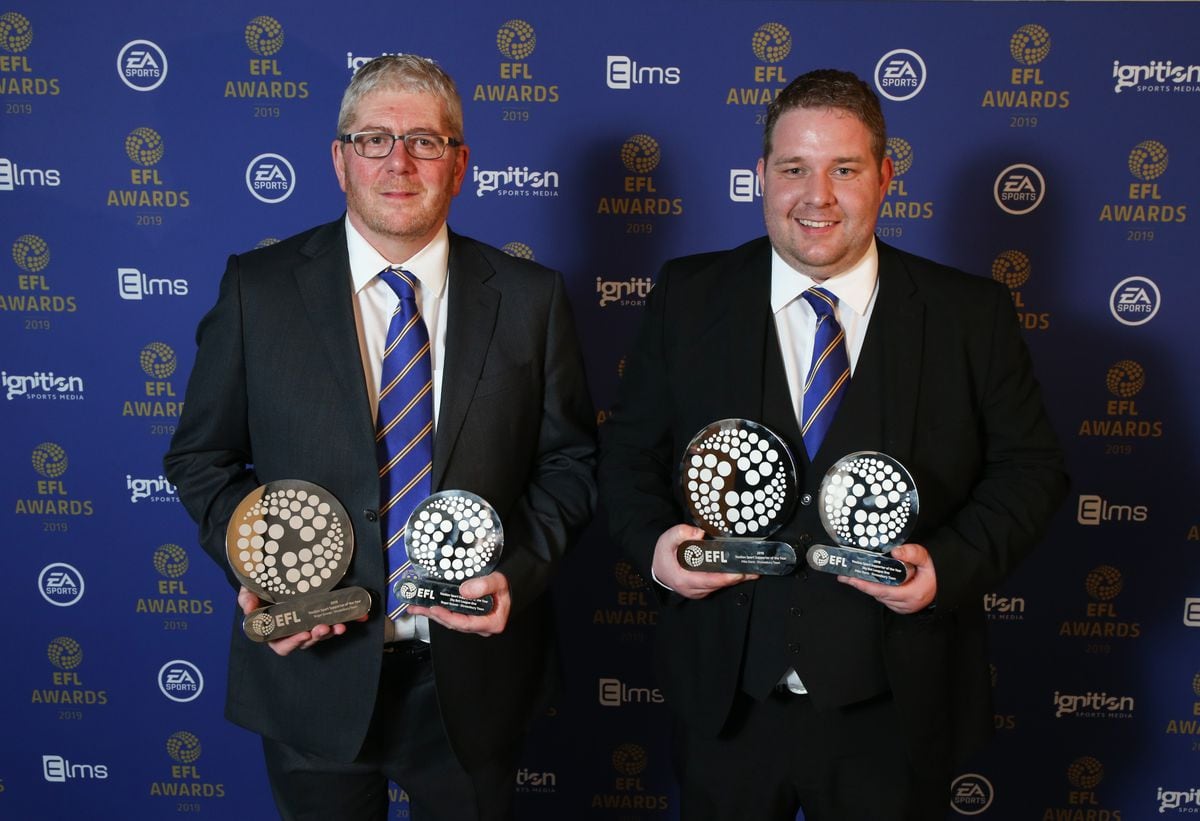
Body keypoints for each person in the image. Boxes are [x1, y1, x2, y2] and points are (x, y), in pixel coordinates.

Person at [598, 69, 1067, 821]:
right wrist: (655, 545)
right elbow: (627, 456)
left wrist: (949, 565)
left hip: (895, 702)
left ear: (885, 177)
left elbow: (1031, 470)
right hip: (730, 702)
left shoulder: (966, 314)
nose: (817, 196)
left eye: (844, 169)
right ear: (760, 178)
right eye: (794, 169)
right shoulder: (689, 296)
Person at [164, 55, 596, 821]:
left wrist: (520, 571)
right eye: (373, 139)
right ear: (339, 160)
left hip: (471, 673)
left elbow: (569, 462)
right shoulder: (256, 290)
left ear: (459, 164)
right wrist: (262, 558)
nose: (399, 161)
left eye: (426, 141)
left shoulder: (530, 299)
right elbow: (202, 458)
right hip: (313, 671)